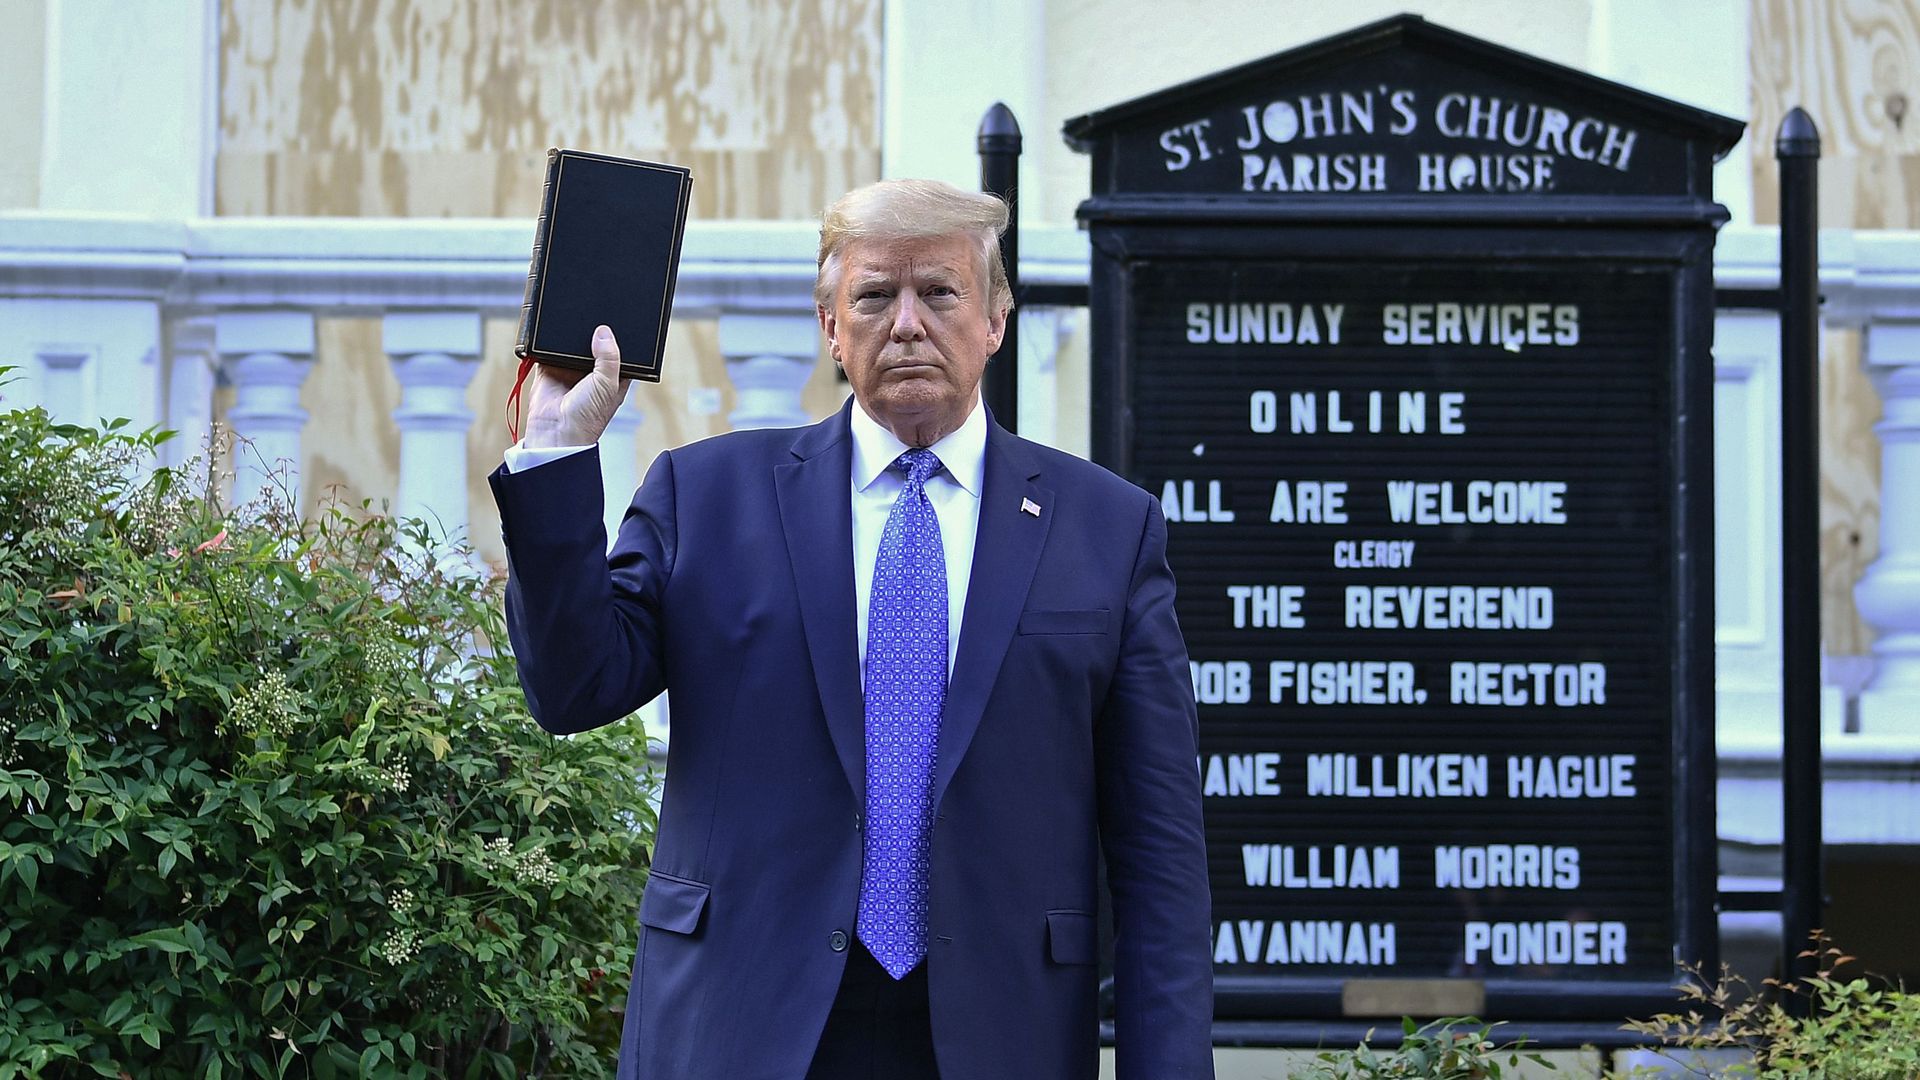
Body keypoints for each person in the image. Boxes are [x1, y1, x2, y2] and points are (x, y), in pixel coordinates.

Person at [489, 178, 1213, 1080]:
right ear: (831, 327)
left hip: (1001, 1034)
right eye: (874, 296)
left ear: (995, 319)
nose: (907, 323)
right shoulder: (706, 497)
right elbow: (571, 688)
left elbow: (1159, 861)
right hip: (740, 1026)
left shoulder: (1107, 528)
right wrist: (557, 453)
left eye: (939, 292)